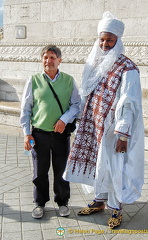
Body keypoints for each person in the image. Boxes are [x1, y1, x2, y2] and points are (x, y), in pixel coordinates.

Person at [63, 12, 144, 228]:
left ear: (117, 40)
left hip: (112, 130)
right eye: (102, 39)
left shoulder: (127, 68)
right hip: (93, 126)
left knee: (114, 166)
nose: (105, 43)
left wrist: (123, 134)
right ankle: (99, 201)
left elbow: (129, 103)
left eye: (109, 39)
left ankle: (116, 208)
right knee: (98, 165)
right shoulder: (94, 63)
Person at [20, 45, 81, 219]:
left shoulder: (69, 81)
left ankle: (62, 202)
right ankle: (39, 204)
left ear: (59, 60)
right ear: (42, 60)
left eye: (52, 57)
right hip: (39, 135)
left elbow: (76, 105)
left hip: (61, 136)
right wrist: (26, 133)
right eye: (45, 57)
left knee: (61, 170)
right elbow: (26, 109)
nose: (49, 61)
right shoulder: (33, 80)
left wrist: (64, 119)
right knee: (39, 171)